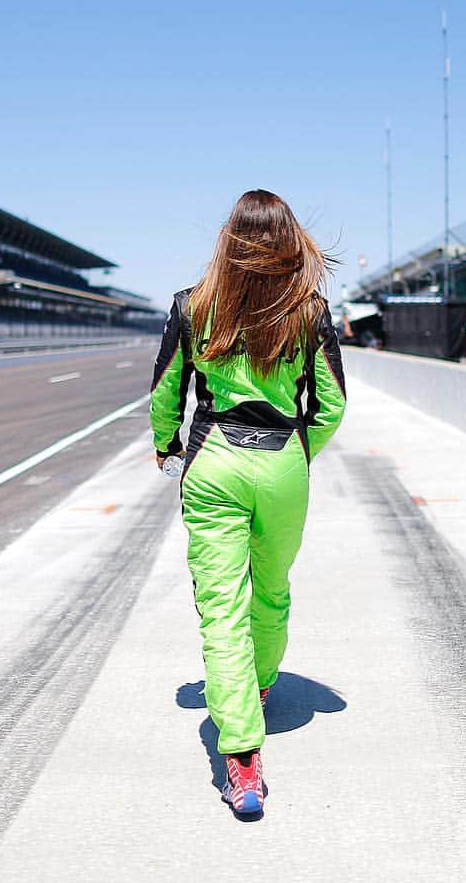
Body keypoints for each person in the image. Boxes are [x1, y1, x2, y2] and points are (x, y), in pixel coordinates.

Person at [149, 190, 346, 817]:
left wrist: (166, 445)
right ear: (290, 239)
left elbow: (165, 392)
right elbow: (332, 404)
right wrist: (295, 453)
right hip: (284, 461)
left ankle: (240, 760)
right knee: (273, 590)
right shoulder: (309, 309)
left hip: (214, 464)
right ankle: (259, 687)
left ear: (228, 239)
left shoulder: (192, 304)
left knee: (221, 609)